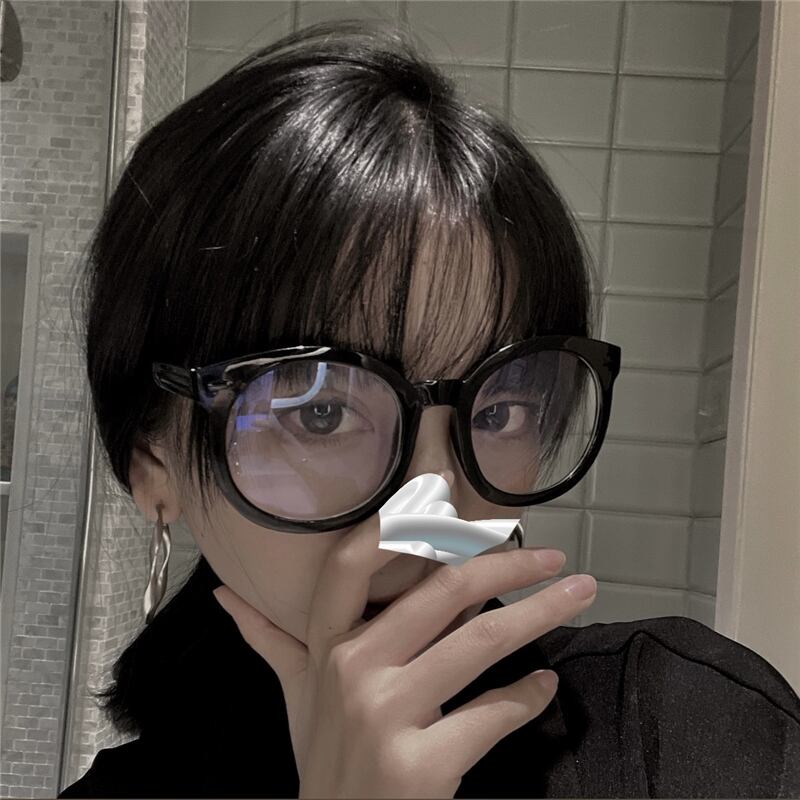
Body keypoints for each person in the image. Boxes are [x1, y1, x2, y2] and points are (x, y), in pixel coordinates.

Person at [58, 20, 800, 799]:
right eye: (320, 413)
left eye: (498, 411)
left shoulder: (682, 732)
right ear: (155, 464)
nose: (434, 506)